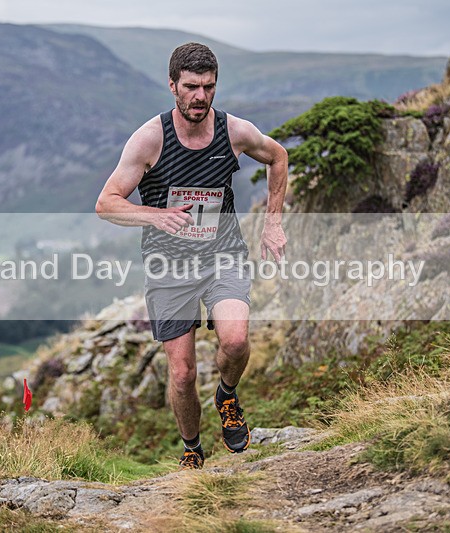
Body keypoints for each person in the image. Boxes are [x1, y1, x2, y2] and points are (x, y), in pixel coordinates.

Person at [96, 42, 288, 469]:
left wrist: (273, 222)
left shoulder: (233, 131)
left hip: (224, 255)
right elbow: (107, 203)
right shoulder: (150, 139)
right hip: (169, 265)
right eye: (191, 87)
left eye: (208, 87)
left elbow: (278, 156)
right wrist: (155, 216)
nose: (200, 96)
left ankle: (227, 395)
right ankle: (192, 449)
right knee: (182, 374)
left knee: (235, 341)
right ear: (172, 86)